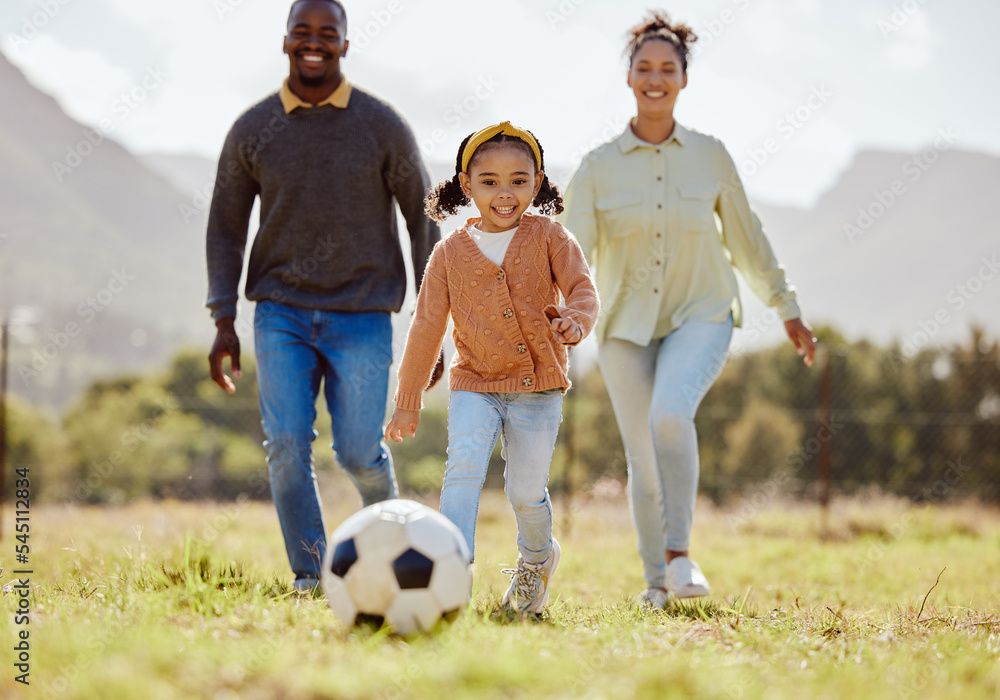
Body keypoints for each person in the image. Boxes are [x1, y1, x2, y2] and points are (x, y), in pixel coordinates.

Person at [560, 11, 816, 608]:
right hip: (624, 327)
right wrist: (559, 316)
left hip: (702, 311)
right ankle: (657, 583)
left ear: (683, 79)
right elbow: (571, 254)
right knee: (642, 459)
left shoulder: (711, 156)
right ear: (628, 77)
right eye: (644, 67)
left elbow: (747, 238)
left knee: (670, 417)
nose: (655, 78)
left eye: (667, 69)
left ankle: (679, 556)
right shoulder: (597, 167)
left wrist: (787, 307)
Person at [205, 0, 441, 592]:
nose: (314, 42)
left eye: (327, 34)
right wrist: (223, 317)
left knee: (361, 453)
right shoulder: (253, 128)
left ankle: (393, 550)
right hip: (280, 310)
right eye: (302, 32)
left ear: (344, 45)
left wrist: (434, 324)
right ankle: (311, 577)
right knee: (286, 445)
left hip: (362, 313)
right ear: (285, 41)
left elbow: (422, 217)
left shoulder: (380, 124)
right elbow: (226, 226)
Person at [384, 122, 599, 614]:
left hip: (538, 387)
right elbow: (426, 328)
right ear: (466, 185)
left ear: (538, 181)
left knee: (525, 492)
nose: (505, 193)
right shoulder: (448, 254)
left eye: (519, 181)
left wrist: (576, 320)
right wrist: (408, 400)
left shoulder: (550, 237)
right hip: (474, 384)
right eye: (490, 182)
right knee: (461, 472)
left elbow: (583, 289)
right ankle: (450, 578)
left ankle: (537, 560)